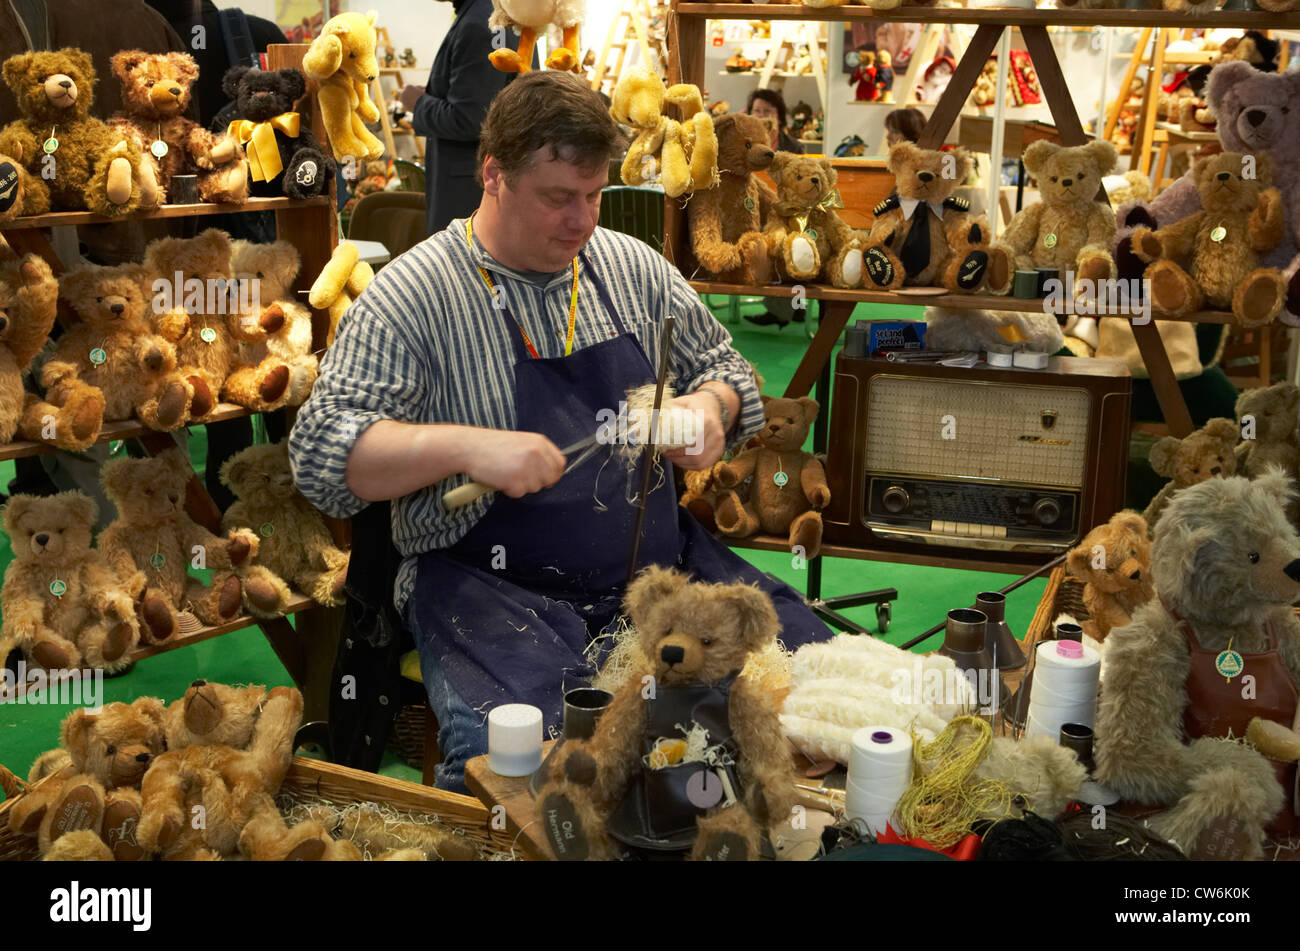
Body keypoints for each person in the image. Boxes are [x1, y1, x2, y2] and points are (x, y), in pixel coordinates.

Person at [289, 71, 831, 792]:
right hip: (490, 591)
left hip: (660, 580)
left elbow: (726, 369)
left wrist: (712, 410)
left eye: (594, 196)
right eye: (556, 198)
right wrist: (466, 445)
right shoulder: (414, 296)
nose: (581, 221)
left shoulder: (629, 269)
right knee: (541, 772)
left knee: (823, 693)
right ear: (493, 174)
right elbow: (323, 454)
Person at [398, 0, 519, 236]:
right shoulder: (488, 14)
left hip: (469, 193)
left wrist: (418, 103)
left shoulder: (483, 23)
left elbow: (470, 119)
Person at [745, 88, 802, 156]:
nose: (761, 115)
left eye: (767, 111)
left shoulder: (795, 148)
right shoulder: (743, 145)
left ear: (779, 117)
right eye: (757, 111)